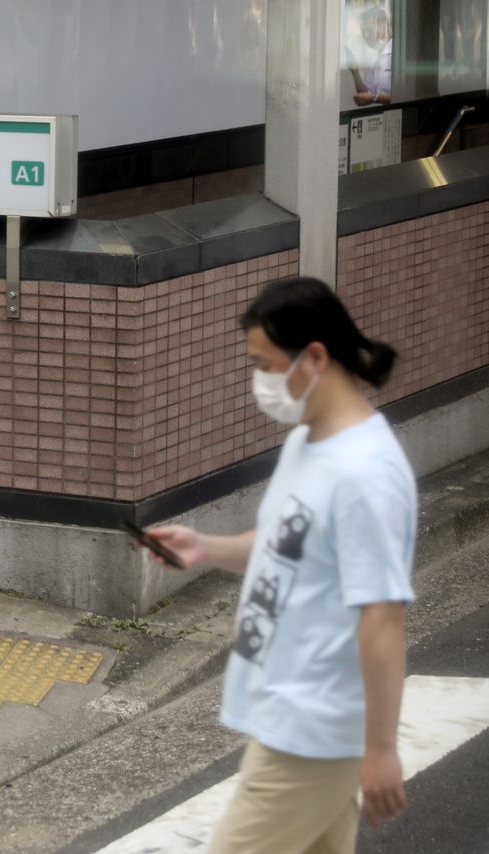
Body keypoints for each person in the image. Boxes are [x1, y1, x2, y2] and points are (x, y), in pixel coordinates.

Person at [146, 277, 414, 854]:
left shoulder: (366, 473)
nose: (259, 383)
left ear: (314, 357)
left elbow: (383, 616)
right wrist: (206, 548)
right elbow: (282, 548)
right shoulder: (309, 440)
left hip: (313, 730)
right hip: (290, 714)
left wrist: (383, 749)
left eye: (264, 365)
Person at [351, 6, 393, 106]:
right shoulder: (377, 57)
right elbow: (367, 93)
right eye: (363, 31)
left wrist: (374, 98)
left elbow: (404, 96)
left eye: (369, 30)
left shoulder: (398, 53)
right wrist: (355, 72)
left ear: (384, 26)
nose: (366, 36)